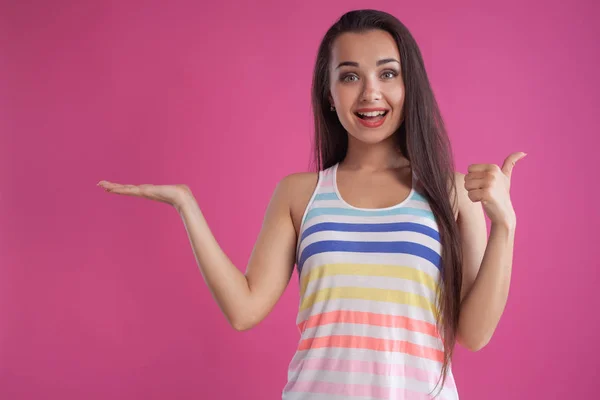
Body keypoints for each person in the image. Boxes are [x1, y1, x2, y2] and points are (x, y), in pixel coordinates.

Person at [98, 9, 525, 400]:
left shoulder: (452, 193)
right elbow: (245, 310)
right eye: (350, 76)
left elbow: (474, 333)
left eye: (388, 73)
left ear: (409, 85)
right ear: (328, 92)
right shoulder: (299, 194)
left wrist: (503, 226)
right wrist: (186, 205)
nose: (370, 93)